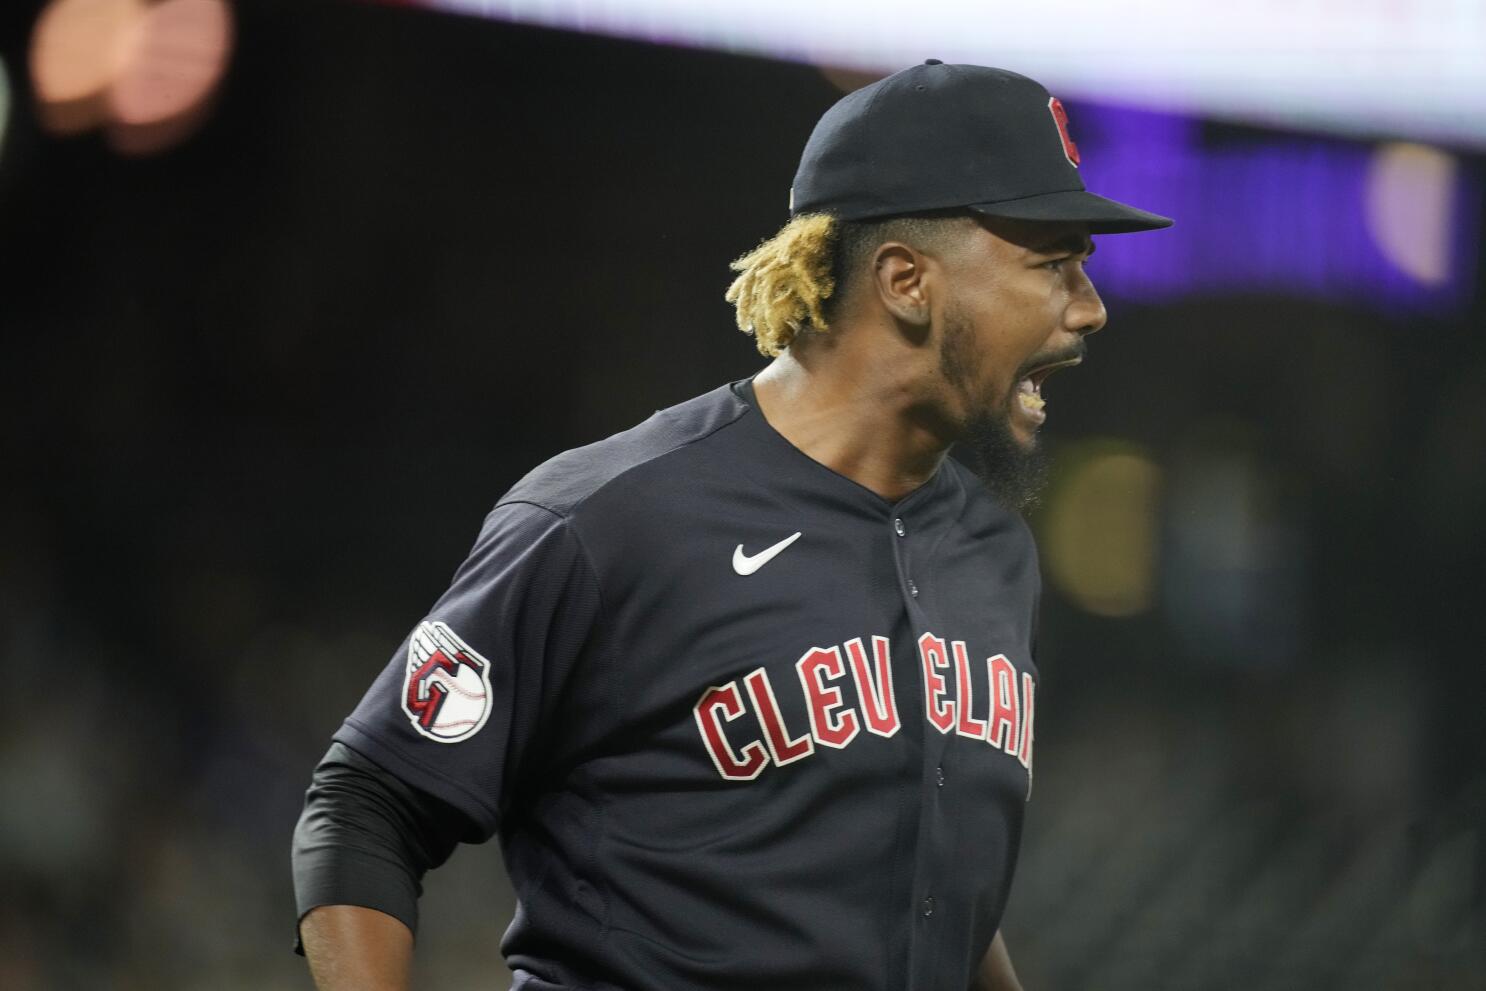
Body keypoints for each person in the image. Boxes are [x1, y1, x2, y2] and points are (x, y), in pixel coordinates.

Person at [292, 60, 1171, 991]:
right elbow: (366, 805)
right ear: (908, 281)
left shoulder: (997, 555)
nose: (1090, 306)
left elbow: (931, 896)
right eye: (1052, 263)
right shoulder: (614, 515)